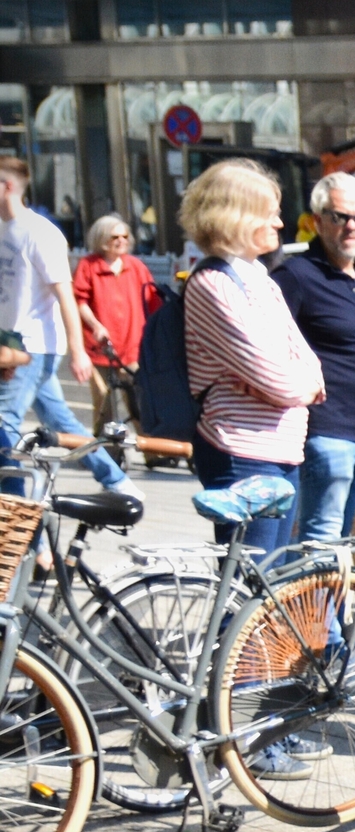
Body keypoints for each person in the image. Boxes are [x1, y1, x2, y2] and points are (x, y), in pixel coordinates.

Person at [180, 158, 323, 558]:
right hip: (242, 452)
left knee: (270, 583)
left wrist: (296, 384)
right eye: (270, 215)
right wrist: (299, 387)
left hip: (282, 449)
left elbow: (308, 363)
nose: (281, 224)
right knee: (249, 586)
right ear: (238, 218)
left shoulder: (259, 278)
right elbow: (275, 376)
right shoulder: (213, 284)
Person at [0, 157, 128, 495]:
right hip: (10, 346)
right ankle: (118, 481)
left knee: (4, 426)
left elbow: (66, 295)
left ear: (8, 186)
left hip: (34, 345)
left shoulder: (41, 234)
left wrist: (78, 350)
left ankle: (14, 509)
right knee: (61, 421)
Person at [273, 172, 355, 543]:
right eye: (340, 217)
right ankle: (312, 605)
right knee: (319, 543)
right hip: (326, 432)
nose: (352, 227)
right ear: (318, 220)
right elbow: (272, 350)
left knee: (339, 540)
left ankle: (326, 605)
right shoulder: (296, 276)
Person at [72, 215, 159, 434]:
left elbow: (153, 302)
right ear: (102, 239)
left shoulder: (136, 267)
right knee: (104, 401)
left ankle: (151, 450)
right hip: (100, 347)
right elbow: (79, 301)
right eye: (115, 237)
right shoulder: (88, 266)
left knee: (139, 398)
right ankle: (105, 451)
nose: (121, 241)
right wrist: (96, 325)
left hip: (132, 346)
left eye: (124, 236)